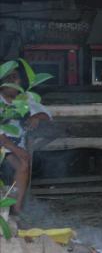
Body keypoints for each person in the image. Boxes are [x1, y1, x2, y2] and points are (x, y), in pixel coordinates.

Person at [0, 64, 51, 213]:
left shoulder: (25, 98)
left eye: (15, 77)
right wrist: (16, 149)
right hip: (4, 144)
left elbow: (47, 115)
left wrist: (36, 117)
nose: (13, 81)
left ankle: (16, 211)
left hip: (14, 147)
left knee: (23, 163)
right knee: (22, 158)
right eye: (9, 77)